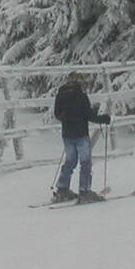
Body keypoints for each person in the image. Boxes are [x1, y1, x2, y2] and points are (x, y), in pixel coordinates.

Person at [51, 71, 111, 203]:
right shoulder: (81, 97)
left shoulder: (60, 96)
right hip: (81, 134)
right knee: (85, 163)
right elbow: (89, 115)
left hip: (67, 134)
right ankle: (84, 191)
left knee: (70, 161)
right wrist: (103, 119)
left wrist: (68, 119)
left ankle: (62, 188)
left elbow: (57, 114)